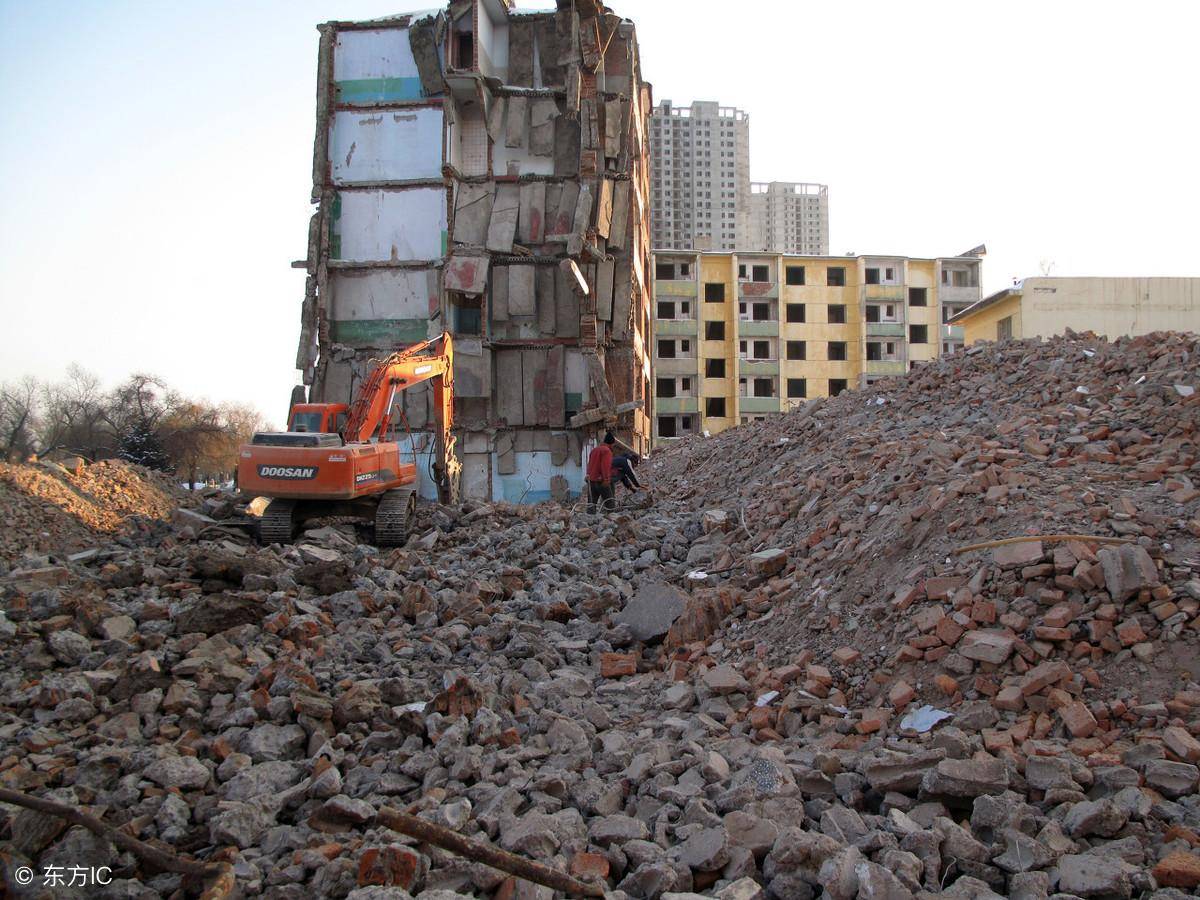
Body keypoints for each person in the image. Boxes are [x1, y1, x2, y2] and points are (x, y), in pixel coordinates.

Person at [585, 431, 616, 513]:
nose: (614, 446)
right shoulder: (607, 451)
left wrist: (588, 474)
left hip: (591, 480)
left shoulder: (594, 450)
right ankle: (612, 521)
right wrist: (606, 479)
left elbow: (589, 464)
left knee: (591, 505)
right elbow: (605, 466)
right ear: (611, 443)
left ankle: (589, 522)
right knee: (610, 504)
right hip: (601, 481)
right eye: (613, 445)